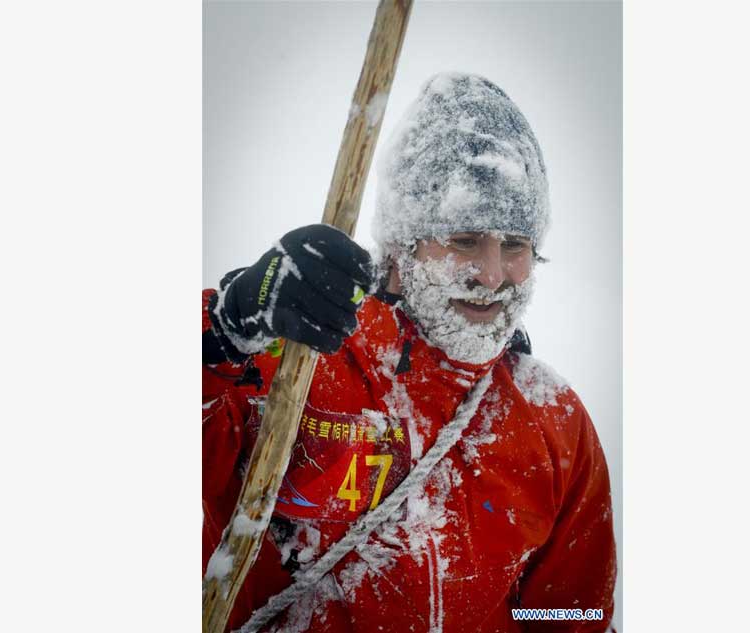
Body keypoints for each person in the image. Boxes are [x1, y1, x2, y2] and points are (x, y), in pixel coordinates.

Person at [203, 73, 617, 632]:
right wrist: (222, 328)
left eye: (515, 245)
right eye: (464, 240)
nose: (491, 276)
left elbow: (574, 611)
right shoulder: (298, 365)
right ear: (401, 243)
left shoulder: (553, 420)